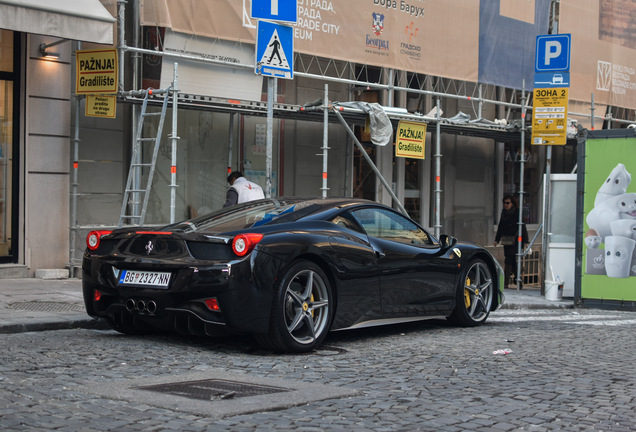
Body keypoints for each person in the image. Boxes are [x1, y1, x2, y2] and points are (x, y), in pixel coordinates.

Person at [494, 194, 529, 288]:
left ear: (512, 204)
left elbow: (522, 227)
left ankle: (505, 283)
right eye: (504, 203)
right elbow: (500, 226)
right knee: (512, 261)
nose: (506, 205)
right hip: (507, 240)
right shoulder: (503, 213)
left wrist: (526, 241)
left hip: (516, 241)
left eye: (508, 203)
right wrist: (496, 239)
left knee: (508, 260)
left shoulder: (517, 213)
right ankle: (519, 282)